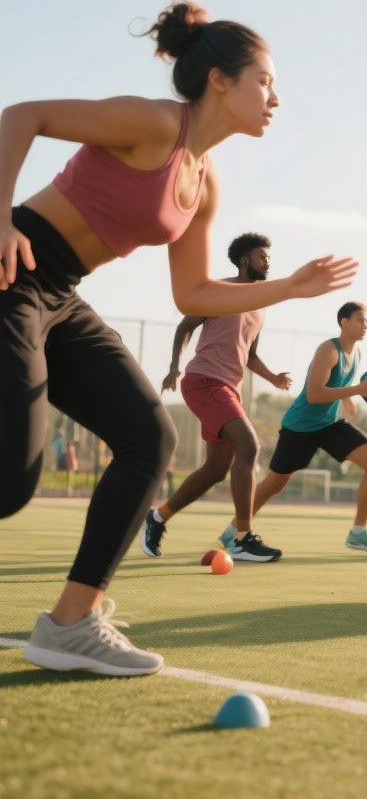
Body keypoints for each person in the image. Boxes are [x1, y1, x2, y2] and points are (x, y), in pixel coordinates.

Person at [0, 0, 357, 676]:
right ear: (220, 80)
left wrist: (289, 288)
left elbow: (191, 294)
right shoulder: (155, 123)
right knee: (8, 485)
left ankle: (69, 625)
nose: (275, 97)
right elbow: (23, 115)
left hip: (61, 292)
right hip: (11, 268)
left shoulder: (204, 182)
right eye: (265, 81)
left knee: (150, 437)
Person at [140, 233, 292, 563]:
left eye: (268, 257)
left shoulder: (260, 305)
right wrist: (173, 367)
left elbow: (250, 355)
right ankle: (241, 538)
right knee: (249, 446)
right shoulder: (219, 292)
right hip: (203, 381)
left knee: (215, 470)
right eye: (261, 257)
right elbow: (185, 326)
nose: (268, 262)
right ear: (244, 261)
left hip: (227, 387)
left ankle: (158, 516)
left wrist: (274, 378)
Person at [235, 301, 367, 553]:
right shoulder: (328, 350)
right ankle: (235, 529)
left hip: (330, 425)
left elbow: (338, 382)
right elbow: (314, 395)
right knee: (275, 483)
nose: (365, 326)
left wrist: (348, 398)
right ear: (344, 322)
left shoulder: (357, 353)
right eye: (360, 320)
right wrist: (357, 390)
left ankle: (358, 533)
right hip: (301, 427)